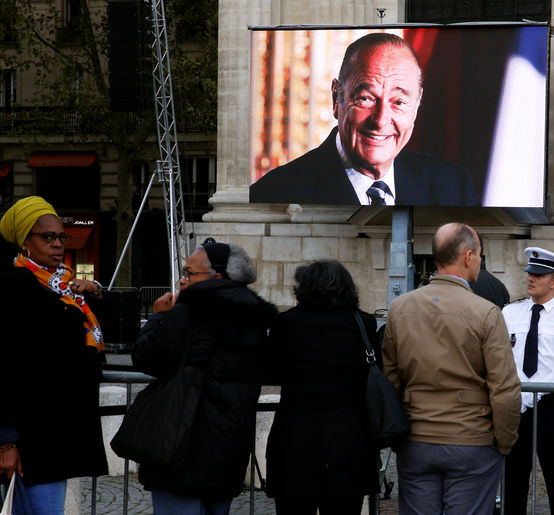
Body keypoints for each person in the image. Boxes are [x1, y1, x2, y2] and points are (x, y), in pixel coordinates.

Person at [382, 222, 521, 515]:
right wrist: (504, 442)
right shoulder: (486, 312)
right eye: (480, 255)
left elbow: (390, 379)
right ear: (468, 256)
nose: (480, 261)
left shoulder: (400, 308)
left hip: (416, 438)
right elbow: (505, 389)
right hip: (471, 439)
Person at [248, 32, 480, 206]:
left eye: (398, 102)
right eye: (366, 99)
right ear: (336, 98)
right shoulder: (274, 194)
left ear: (417, 105)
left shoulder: (452, 186)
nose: (380, 121)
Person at [131, 241, 277, 514]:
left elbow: (145, 356)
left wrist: (159, 318)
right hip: (228, 451)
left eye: (189, 273)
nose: (182, 281)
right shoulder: (257, 321)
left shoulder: (189, 312)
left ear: (217, 277)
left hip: (180, 446)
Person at [0, 196, 108, 514]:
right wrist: (7, 441)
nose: (57, 244)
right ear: (25, 242)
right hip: (34, 436)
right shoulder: (12, 289)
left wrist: (93, 289)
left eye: (61, 236)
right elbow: (0, 368)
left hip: (56, 431)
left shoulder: (61, 287)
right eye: (47, 237)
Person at [264, 261, 379, 514]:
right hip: (349, 440)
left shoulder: (286, 324)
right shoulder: (364, 324)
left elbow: (270, 370)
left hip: (295, 439)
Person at [501, 247, 554, 515]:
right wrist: (519, 395)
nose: (531, 279)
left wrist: (532, 393)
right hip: (516, 407)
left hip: (551, 407)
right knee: (513, 481)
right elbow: (500, 357)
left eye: (538, 274)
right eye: (529, 273)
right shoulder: (510, 312)